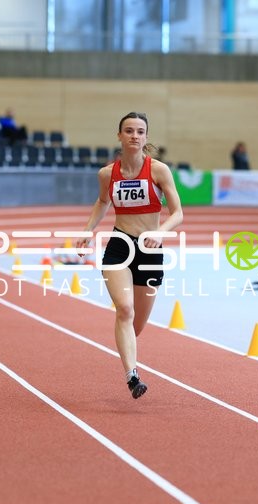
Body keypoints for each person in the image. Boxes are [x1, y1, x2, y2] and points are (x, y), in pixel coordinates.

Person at [76, 112, 183, 399]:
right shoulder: (107, 174)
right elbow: (102, 202)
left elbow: (178, 214)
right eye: (129, 131)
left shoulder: (159, 171)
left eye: (140, 131)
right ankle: (132, 376)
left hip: (150, 249)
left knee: (136, 326)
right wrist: (88, 230)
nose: (134, 136)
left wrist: (160, 233)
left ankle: (126, 353)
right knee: (124, 309)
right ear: (119, 136)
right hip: (120, 244)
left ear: (146, 137)